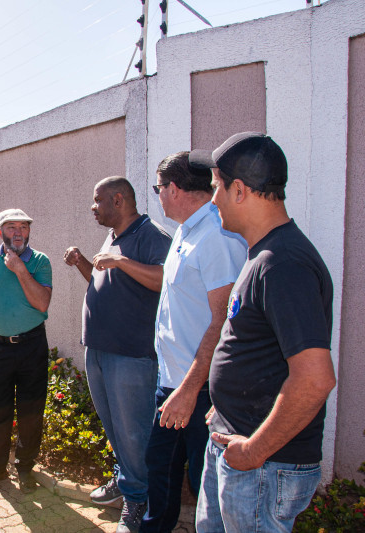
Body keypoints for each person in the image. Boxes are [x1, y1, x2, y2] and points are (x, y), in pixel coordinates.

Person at [189, 132, 336, 532]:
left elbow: (315, 378)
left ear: (239, 190)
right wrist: (228, 407)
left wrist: (254, 450)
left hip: (262, 467)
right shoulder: (264, 255)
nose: (212, 197)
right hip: (236, 446)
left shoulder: (284, 264)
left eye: (216, 186)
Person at [141, 153, 247, 533]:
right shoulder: (188, 229)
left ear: (173, 188)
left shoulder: (218, 236)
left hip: (199, 390)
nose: (159, 197)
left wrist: (190, 389)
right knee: (161, 469)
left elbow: (223, 322)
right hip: (172, 381)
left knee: (205, 481)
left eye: (159, 189)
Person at [63, 176, 171, 533]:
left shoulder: (150, 235)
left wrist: (121, 262)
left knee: (134, 432)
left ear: (119, 200)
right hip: (99, 349)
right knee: (114, 427)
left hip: (131, 355)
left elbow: (163, 279)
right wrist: (83, 263)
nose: (93, 208)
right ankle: (125, 484)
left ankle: (138, 501)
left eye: (98, 201)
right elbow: (101, 281)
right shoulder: (114, 236)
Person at [0, 209, 53, 494]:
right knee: (0, 411)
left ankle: (26, 469)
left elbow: (42, 303)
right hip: (0, 348)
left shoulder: (40, 261)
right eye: (11, 227)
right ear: (0, 231)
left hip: (32, 347)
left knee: (31, 411)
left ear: (29, 231)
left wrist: (19, 269)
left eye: (23, 227)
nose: (18, 232)